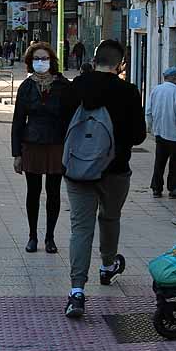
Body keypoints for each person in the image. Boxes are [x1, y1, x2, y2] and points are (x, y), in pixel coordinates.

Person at [62, 39, 146, 319]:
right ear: (120, 64)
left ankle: (76, 292)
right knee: (110, 218)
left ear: (94, 59)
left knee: (80, 229)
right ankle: (108, 265)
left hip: (78, 171)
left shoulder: (76, 87)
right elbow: (138, 136)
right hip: (115, 170)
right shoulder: (129, 91)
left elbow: (63, 126)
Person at [11, 42, 76, 254]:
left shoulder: (64, 86)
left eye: (44, 58)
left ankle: (50, 237)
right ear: (30, 62)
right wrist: (16, 154)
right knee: (33, 192)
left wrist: (71, 149)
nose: (41, 62)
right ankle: (32, 236)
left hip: (57, 143)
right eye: (37, 59)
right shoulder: (26, 86)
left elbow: (71, 118)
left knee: (54, 192)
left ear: (52, 61)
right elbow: (18, 121)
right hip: (32, 143)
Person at [145, 66, 176, 198]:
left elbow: (148, 111)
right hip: (175, 135)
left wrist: (152, 127)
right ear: (173, 78)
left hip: (159, 133)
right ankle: (174, 189)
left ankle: (156, 188)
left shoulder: (156, 90)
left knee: (159, 162)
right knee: (175, 164)